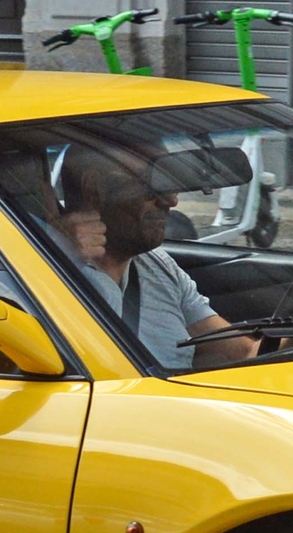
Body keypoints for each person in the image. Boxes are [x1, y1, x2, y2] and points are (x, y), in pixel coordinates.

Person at [55, 148, 257, 370]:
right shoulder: (44, 276)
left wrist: (288, 341)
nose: (171, 200)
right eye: (154, 184)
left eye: (170, 185)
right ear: (94, 189)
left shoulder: (158, 264)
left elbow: (244, 353)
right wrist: (64, 254)